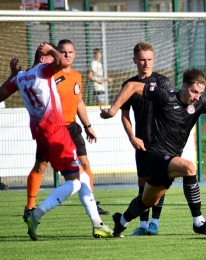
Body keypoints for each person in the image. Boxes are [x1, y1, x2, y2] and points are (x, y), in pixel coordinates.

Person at [100, 68, 206, 238]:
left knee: (149, 201)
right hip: (153, 156)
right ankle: (199, 222)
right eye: (193, 91)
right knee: (189, 167)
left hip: (169, 160)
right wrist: (113, 110)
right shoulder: (165, 97)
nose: (196, 96)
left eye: (199, 93)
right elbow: (131, 86)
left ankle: (120, 221)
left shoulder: (199, 103)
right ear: (184, 86)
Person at [0, 43, 113, 240]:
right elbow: (60, 62)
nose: (56, 63)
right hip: (56, 131)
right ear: (44, 59)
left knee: (82, 175)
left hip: (40, 132)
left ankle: (98, 224)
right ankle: (35, 214)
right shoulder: (43, 71)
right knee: (75, 182)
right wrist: (53, 51)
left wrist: (12, 74)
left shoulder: (20, 77)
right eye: (52, 58)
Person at [23, 39, 108, 217]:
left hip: (72, 127)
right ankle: (30, 206)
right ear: (57, 54)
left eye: (70, 52)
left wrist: (88, 126)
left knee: (85, 164)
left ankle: (92, 203)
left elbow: (79, 102)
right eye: (63, 52)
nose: (67, 55)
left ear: (75, 54)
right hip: (53, 130)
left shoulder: (77, 75)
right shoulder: (48, 74)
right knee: (41, 165)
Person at [120, 42, 172, 236]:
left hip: (161, 143)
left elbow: (170, 111)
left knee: (158, 184)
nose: (146, 63)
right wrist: (132, 137)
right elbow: (124, 114)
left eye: (149, 59)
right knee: (143, 184)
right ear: (135, 60)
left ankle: (154, 224)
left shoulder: (163, 82)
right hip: (141, 143)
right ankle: (142, 225)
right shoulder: (129, 85)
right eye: (142, 59)